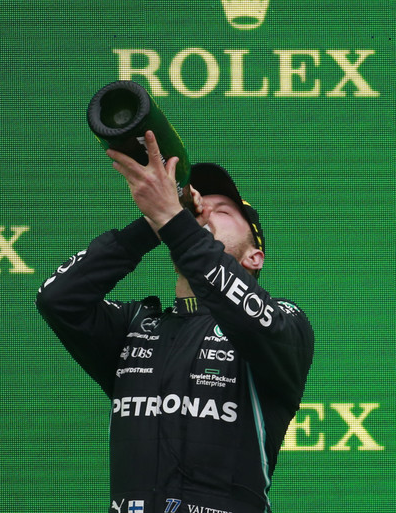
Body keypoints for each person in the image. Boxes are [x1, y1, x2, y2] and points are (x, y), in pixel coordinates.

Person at [36, 131, 315, 513]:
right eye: (196, 208)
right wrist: (153, 224)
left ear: (255, 257)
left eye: (222, 212)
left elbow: (255, 321)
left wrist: (175, 220)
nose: (202, 213)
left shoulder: (283, 322)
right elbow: (58, 299)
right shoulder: (134, 326)